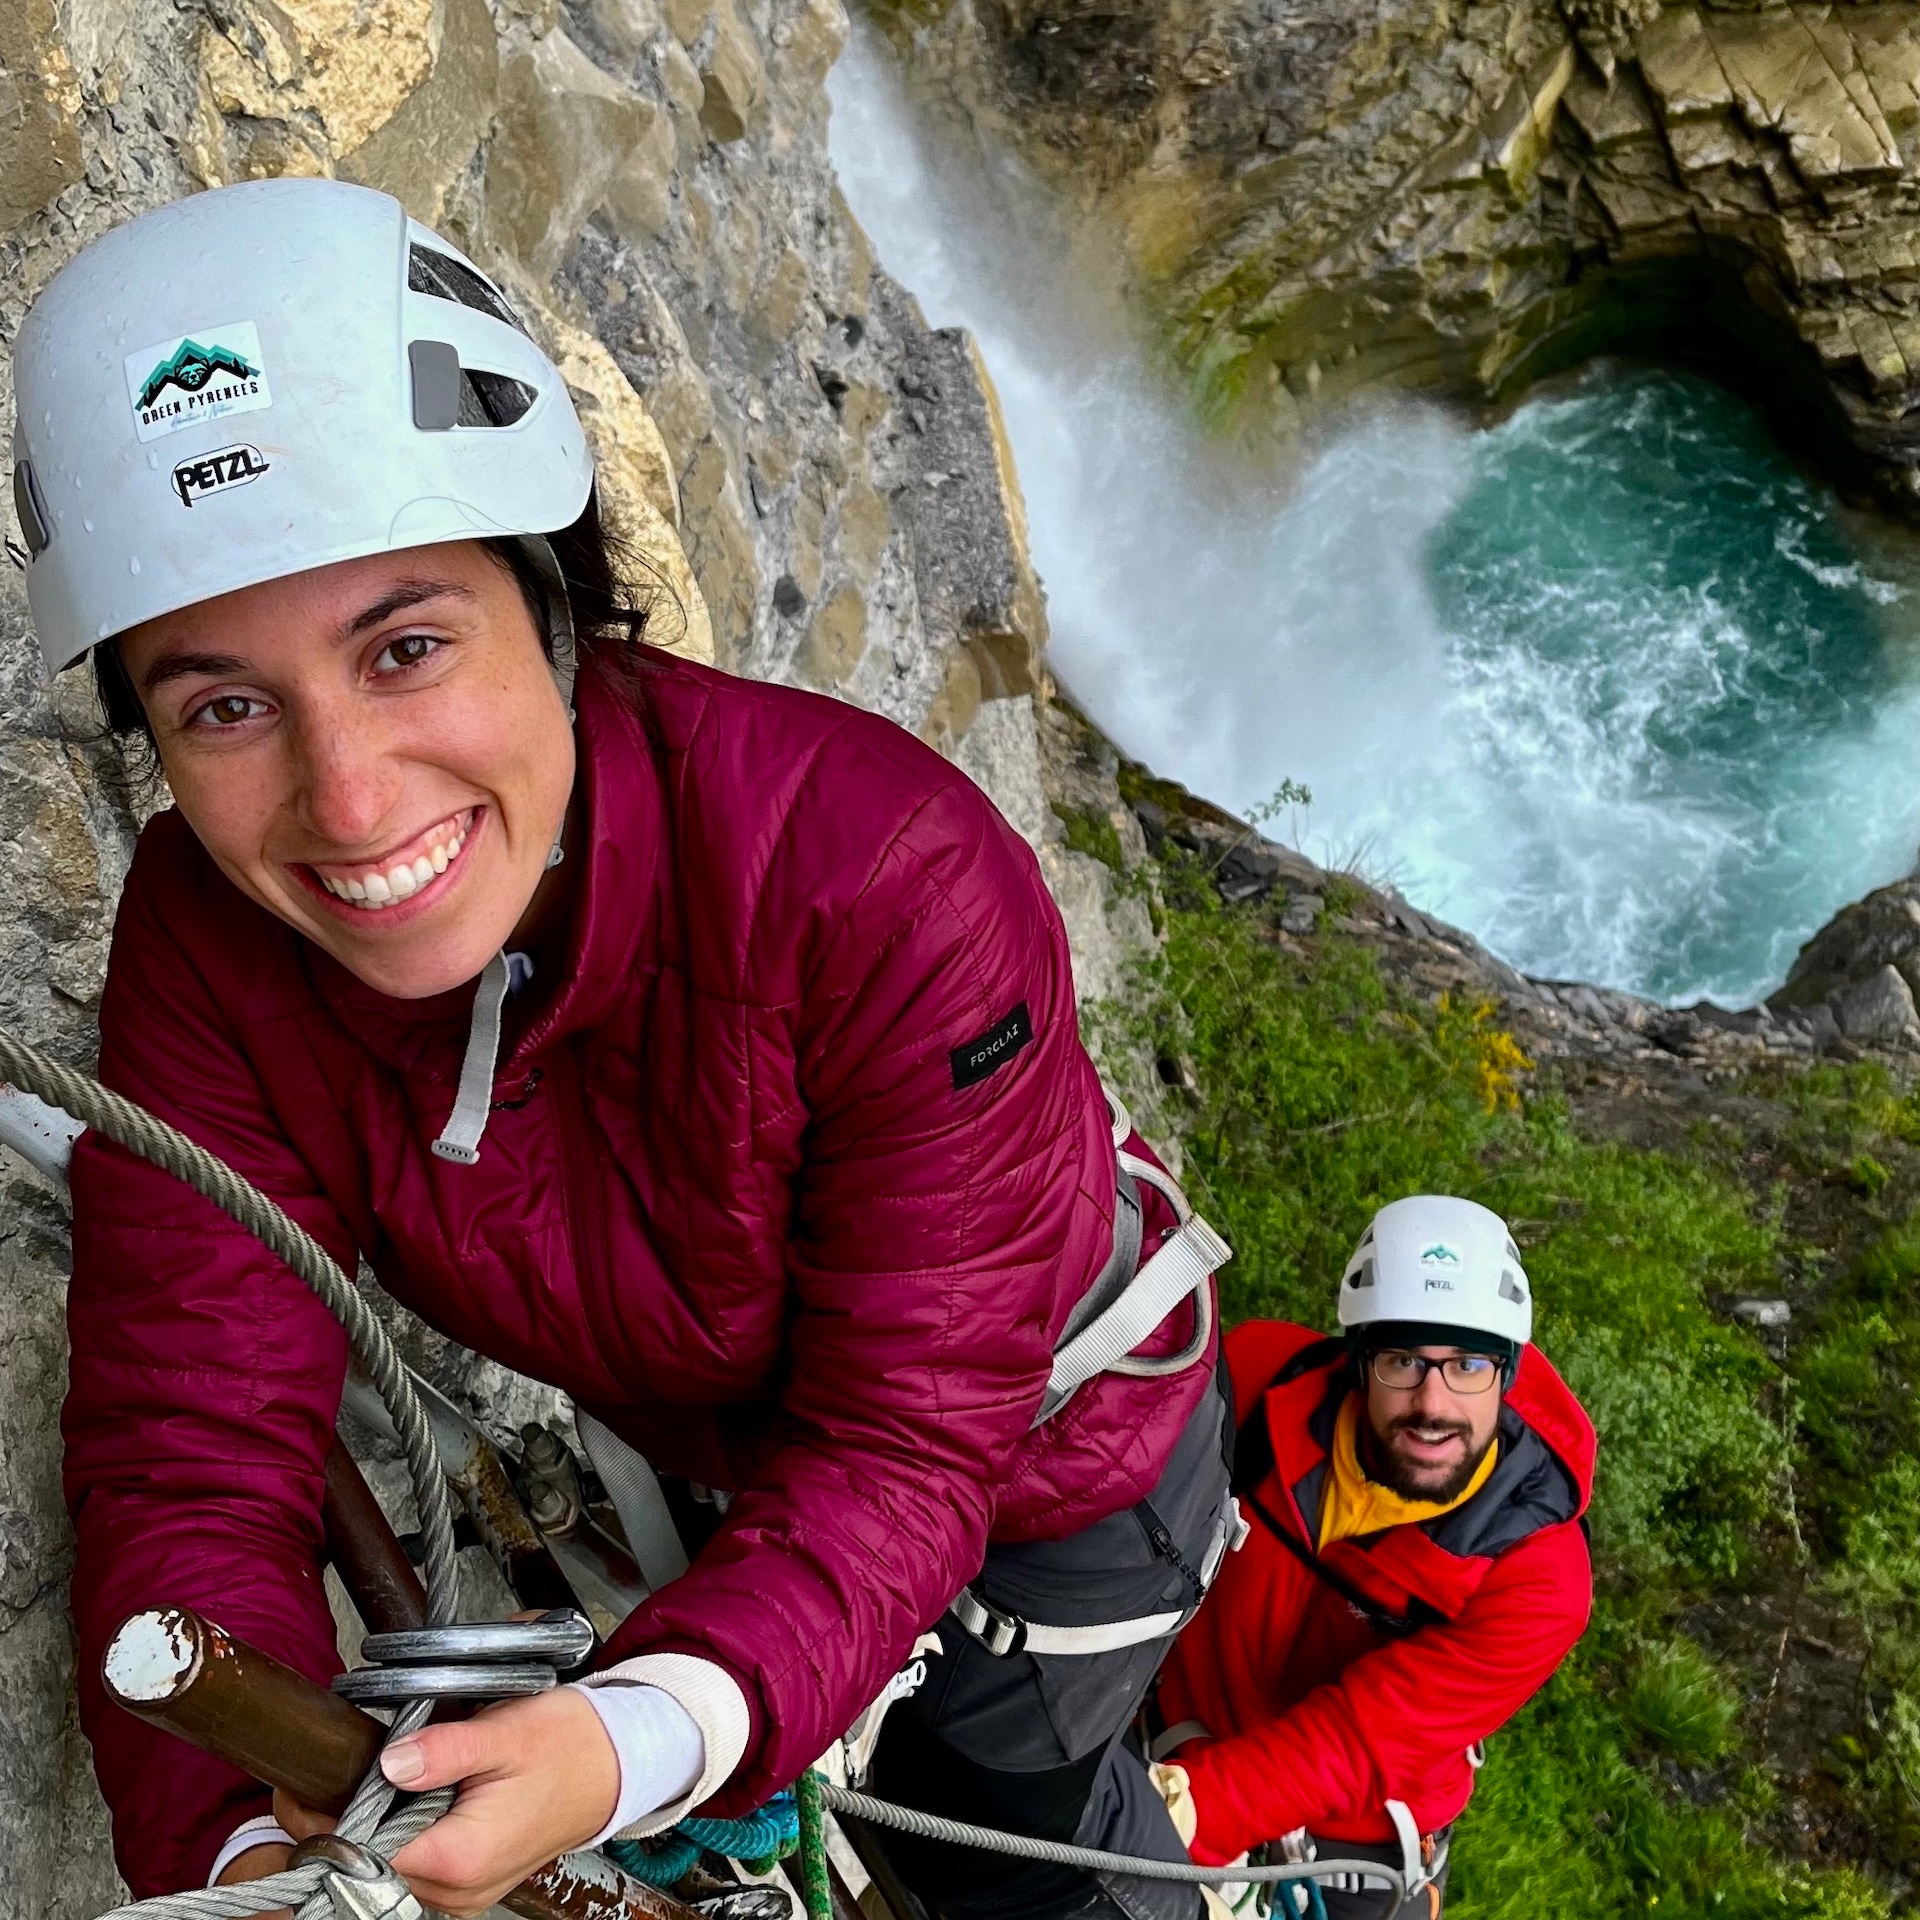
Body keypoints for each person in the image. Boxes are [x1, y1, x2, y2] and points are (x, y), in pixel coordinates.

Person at [17, 178, 1233, 1920]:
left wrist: (638, 1734)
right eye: (222, 705)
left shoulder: (887, 877)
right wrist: (245, 1857)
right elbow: (189, 1438)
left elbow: (910, 1441)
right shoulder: (211, 946)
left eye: (406, 647)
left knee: (987, 1813)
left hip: (1061, 1461)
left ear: (555, 607)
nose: (345, 801)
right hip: (746, 1440)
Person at [1151, 1195, 1595, 1918]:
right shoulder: (1260, 1381)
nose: (1434, 1404)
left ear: (1509, 1373)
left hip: (1347, 1833)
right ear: (1360, 1362)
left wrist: (1178, 1813)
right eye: (1403, 1361)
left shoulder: (1537, 1577)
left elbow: (1359, 1739)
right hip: (1167, 1729)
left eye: (1469, 1365)